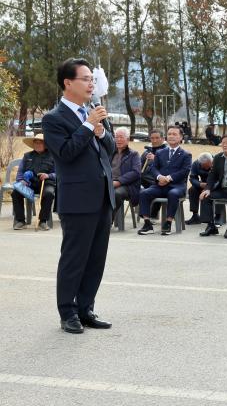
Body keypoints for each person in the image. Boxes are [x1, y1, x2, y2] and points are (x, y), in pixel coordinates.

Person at [42, 57, 115, 334]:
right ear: (68, 82)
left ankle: (86, 308)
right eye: (85, 79)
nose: (90, 84)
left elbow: (109, 151)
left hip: (103, 197)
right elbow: (66, 153)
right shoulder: (53, 119)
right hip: (77, 199)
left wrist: (100, 131)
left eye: (91, 80)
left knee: (96, 258)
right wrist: (88, 127)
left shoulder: (94, 111)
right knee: (74, 258)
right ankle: (67, 312)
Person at [137, 125, 192, 235]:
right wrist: (159, 177)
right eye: (170, 134)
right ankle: (147, 223)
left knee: (173, 193)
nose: (171, 136)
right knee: (144, 193)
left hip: (177, 186)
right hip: (159, 185)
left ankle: (168, 223)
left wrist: (168, 178)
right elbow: (153, 168)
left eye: (174, 134)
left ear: (181, 137)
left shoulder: (186, 154)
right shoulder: (160, 152)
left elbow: (184, 171)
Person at [12, 133, 56, 230]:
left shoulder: (53, 156)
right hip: (29, 183)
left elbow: (59, 174)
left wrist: (48, 175)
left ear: (45, 144)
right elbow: (20, 172)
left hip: (46, 183)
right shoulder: (27, 156)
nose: (37, 144)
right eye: (36, 142)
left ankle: (42, 221)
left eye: (40, 142)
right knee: (16, 193)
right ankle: (20, 221)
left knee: (49, 193)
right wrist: (22, 180)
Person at [109, 127, 141, 219]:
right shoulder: (110, 153)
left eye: (121, 137)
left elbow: (136, 172)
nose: (118, 139)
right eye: (116, 137)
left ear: (127, 140)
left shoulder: (133, 154)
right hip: (109, 182)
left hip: (127, 185)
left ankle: (108, 220)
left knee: (116, 194)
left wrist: (118, 181)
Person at [186, 153, 213, 224]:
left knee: (207, 194)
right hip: (202, 184)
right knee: (192, 190)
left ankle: (215, 217)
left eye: (207, 166)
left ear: (211, 162)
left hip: (214, 185)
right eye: (203, 166)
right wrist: (199, 184)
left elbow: (219, 179)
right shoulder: (196, 164)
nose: (205, 168)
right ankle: (195, 215)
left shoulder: (217, 162)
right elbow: (192, 178)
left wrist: (208, 188)